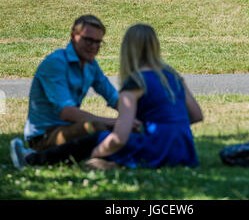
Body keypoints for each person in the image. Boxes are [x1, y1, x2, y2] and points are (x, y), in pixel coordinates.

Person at [11, 24, 203, 170]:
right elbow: (196, 115)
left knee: (99, 137)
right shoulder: (172, 76)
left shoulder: (136, 82)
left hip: (156, 148)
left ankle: (32, 160)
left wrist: (97, 151)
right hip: (185, 150)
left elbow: (119, 138)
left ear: (128, 49)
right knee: (104, 134)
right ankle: (109, 163)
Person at [12, 14, 119, 156]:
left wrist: (135, 116)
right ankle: (32, 157)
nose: (94, 47)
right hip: (43, 136)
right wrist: (112, 122)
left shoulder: (90, 65)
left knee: (120, 130)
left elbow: (114, 97)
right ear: (73, 36)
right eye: (88, 40)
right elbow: (67, 112)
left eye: (98, 42)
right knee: (96, 128)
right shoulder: (56, 63)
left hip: (68, 130)